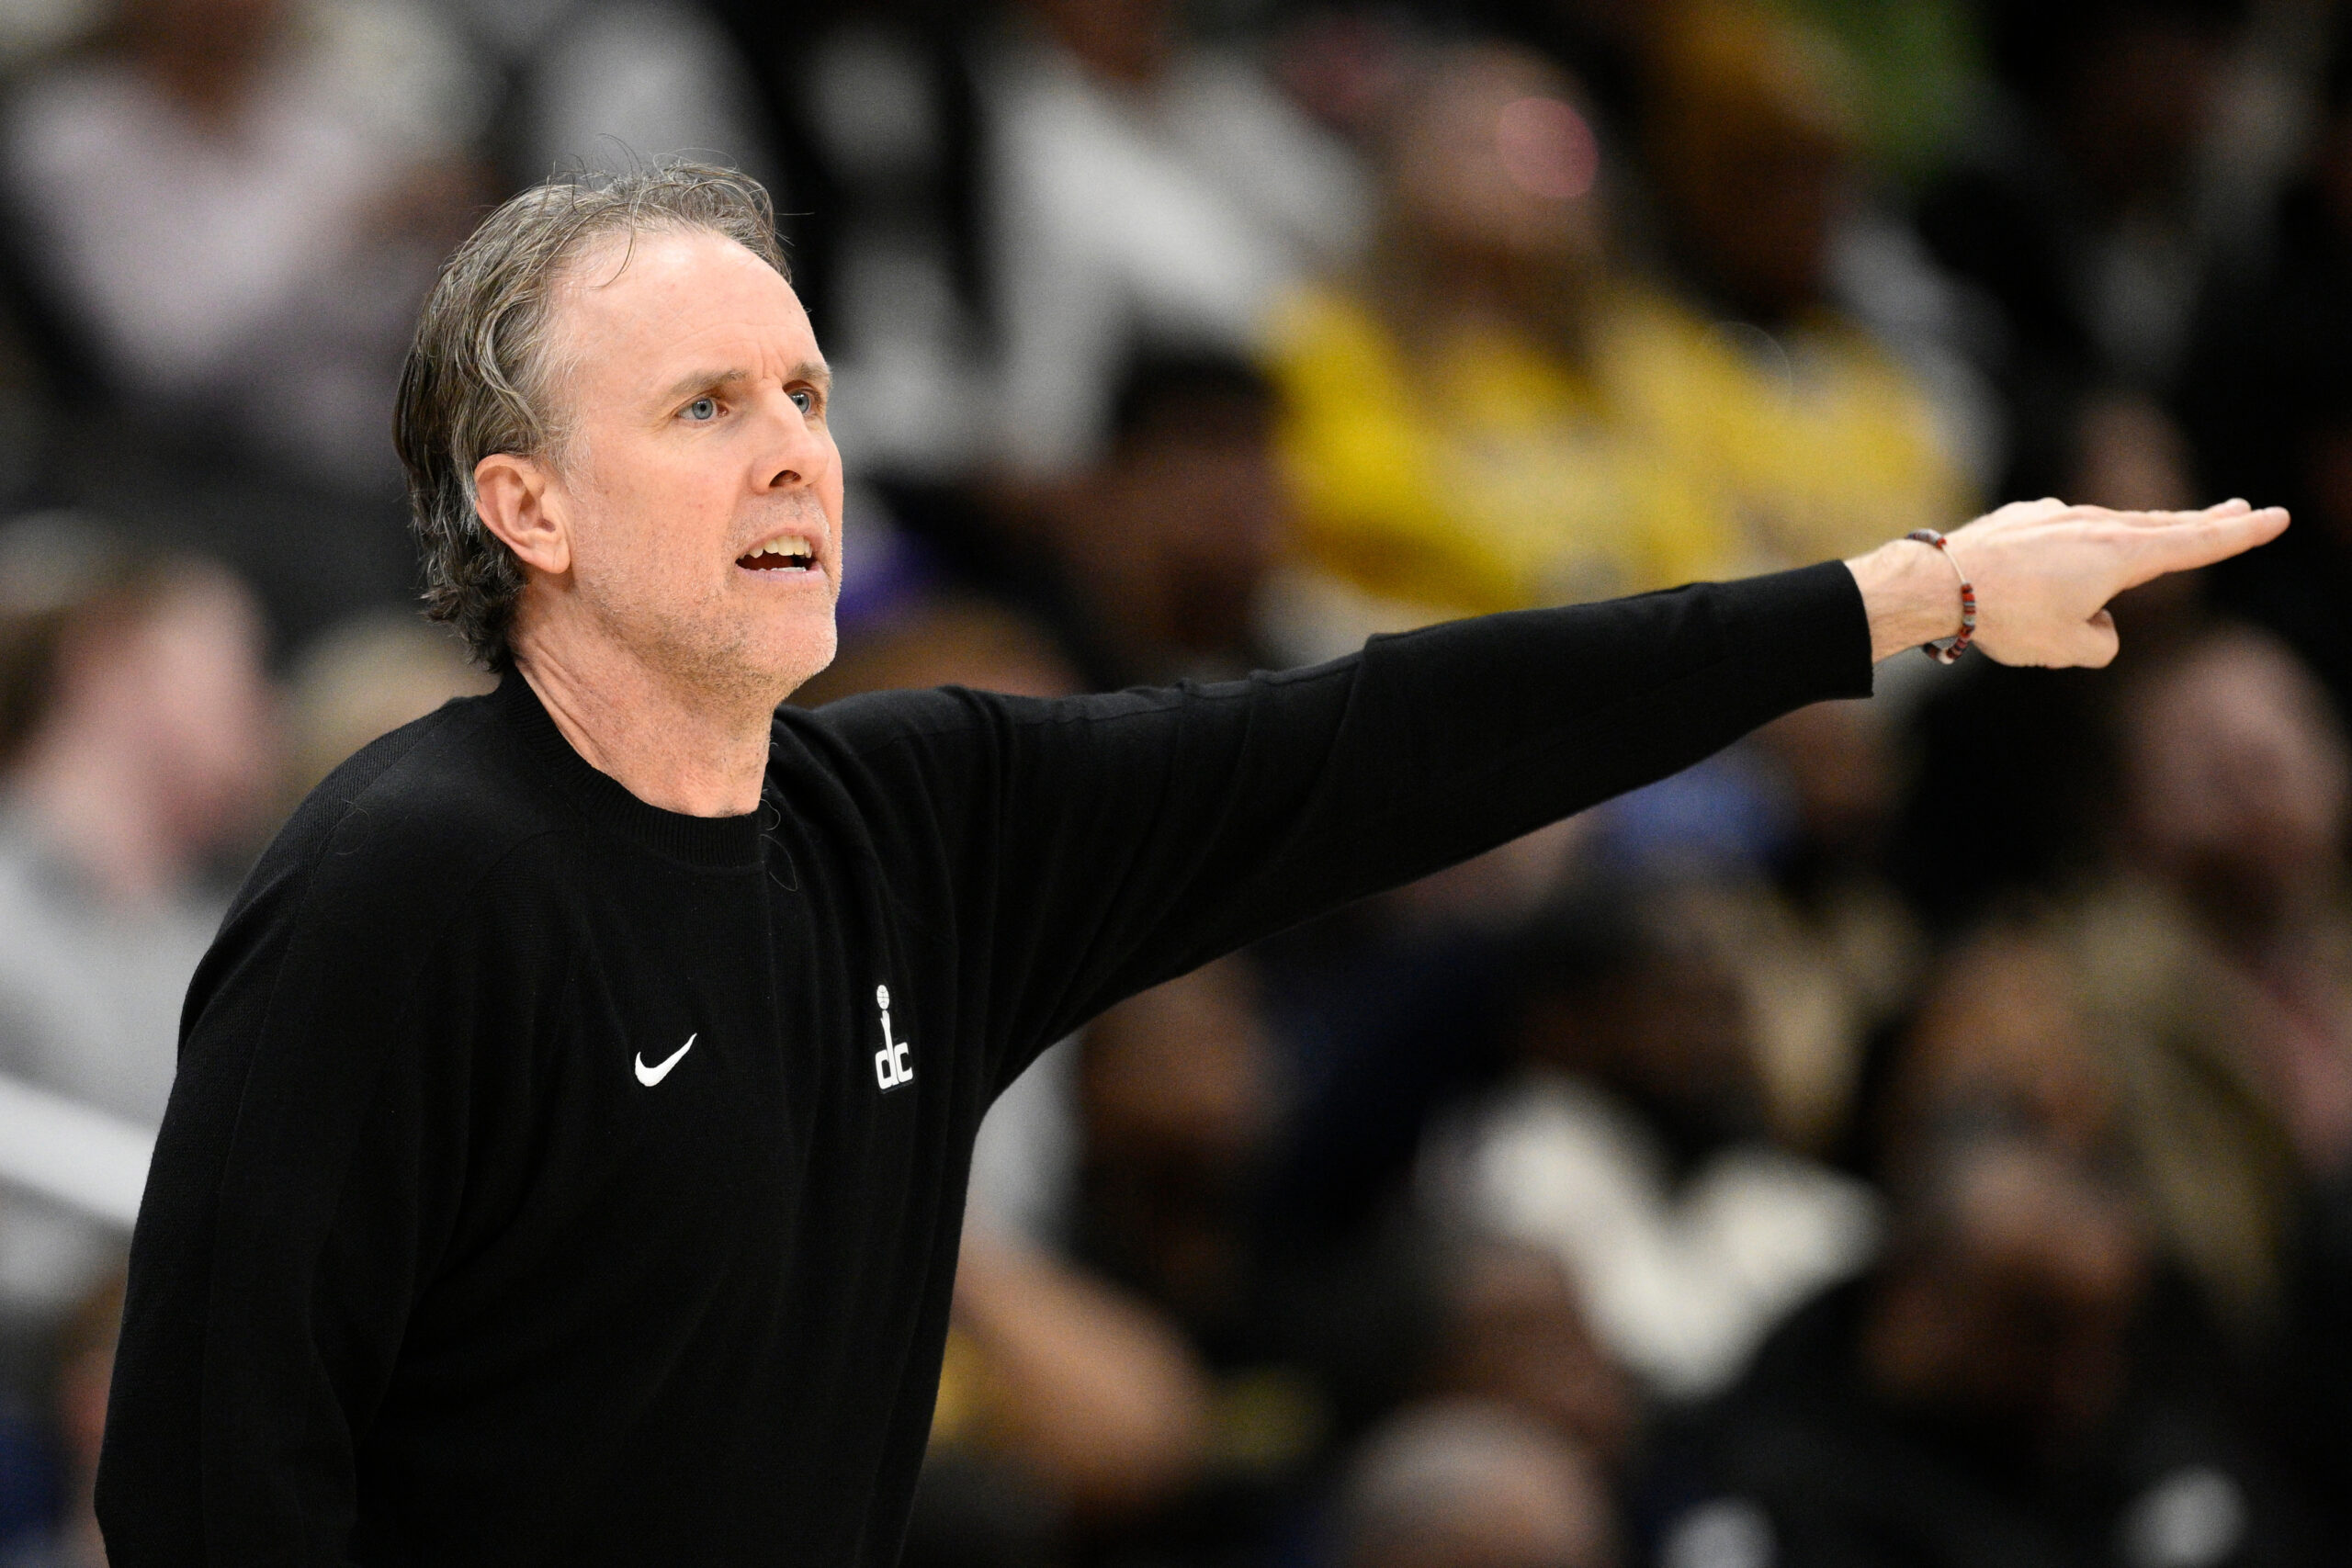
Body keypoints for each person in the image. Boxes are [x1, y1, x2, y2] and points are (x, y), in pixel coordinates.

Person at [91, 161, 2286, 1565]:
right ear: (528, 509)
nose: (793, 454)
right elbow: (207, 1482)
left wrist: (1910, 593)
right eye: (702, 407)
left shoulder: (915, 829)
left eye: (807, 394)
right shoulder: (410, 881)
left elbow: (1391, 738)